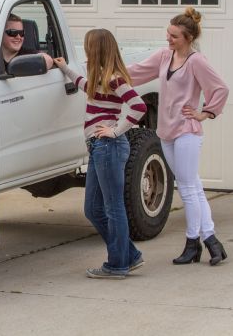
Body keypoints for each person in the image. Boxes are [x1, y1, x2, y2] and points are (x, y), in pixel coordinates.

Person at [126, 7, 229, 266]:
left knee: (187, 188)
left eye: (174, 36)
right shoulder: (164, 56)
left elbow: (220, 89)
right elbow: (136, 72)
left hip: (187, 132)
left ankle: (192, 242)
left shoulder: (197, 61)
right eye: (168, 34)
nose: (168, 39)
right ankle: (212, 242)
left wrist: (205, 113)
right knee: (192, 186)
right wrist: (108, 75)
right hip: (166, 131)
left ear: (188, 38)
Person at [53, 29, 147, 279]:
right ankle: (130, 255)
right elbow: (84, 86)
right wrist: (64, 68)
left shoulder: (115, 78)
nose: (85, 49)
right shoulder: (99, 77)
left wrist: (116, 131)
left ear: (95, 49)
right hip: (98, 148)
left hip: (108, 147)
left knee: (113, 207)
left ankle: (117, 265)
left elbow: (138, 106)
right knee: (93, 209)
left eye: (87, 46)